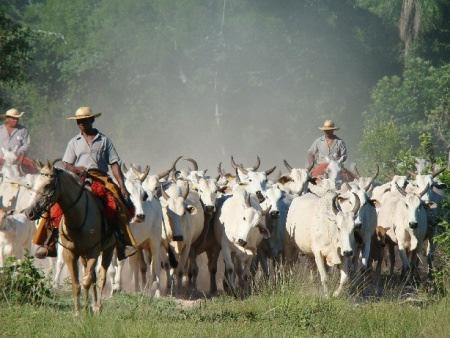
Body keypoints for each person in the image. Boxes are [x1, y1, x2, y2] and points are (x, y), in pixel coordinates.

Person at [33, 107, 135, 260]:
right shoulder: (74, 142)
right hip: (76, 179)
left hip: (100, 177)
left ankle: (123, 243)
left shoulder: (104, 140)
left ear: (92, 120)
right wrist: (76, 169)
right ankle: (49, 242)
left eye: (84, 120)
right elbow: (66, 164)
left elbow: (114, 164)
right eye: (79, 121)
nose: (81, 124)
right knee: (53, 203)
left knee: (117, 202)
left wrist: (122, 185)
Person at [0, 108, 35, 172]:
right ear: (7, 119)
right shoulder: (0, 129)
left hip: (18, 159)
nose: (15, 120)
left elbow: (26, 144)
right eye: (13, 118)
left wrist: (19, 152)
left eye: (17, 119)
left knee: (32, 167)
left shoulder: (23, 130)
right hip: (1, 159)